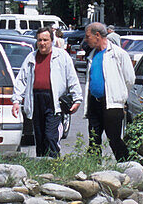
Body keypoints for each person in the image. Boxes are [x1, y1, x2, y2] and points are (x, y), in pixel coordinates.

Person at [12, 27, 82, 157]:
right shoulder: (31, 58)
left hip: (53, 101)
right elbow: (21, 79)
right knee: (39, 137)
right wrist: (16, 100)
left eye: (45, 40)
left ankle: (54, 164)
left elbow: (71, 77)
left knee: (51, 136)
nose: (42, 43)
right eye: (39, 40)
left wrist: (77, 99)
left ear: (52, 40)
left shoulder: (61, 56)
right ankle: (42, 167)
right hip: (36, 99)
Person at [83, 22, 135, 160]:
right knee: (94, 139)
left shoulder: (118, 54)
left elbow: (129, 79)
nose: (86, 39)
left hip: (112, 103)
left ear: (98, 35)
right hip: (94, 102)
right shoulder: (92, 55)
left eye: (88, 36)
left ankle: (125, 163)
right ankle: (94, 168)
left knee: (114, 138)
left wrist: (121, 97)